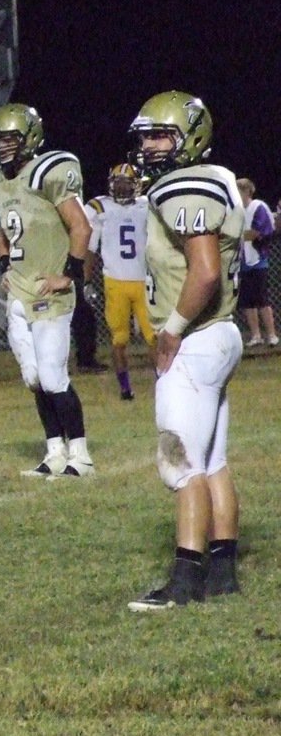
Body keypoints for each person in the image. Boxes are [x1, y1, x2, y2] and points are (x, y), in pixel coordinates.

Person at [125, 92, 245, 611]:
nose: (150, 147)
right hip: (221, 334)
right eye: (146, 136)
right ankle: (222, 571)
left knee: (179, 462)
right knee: (212, 460)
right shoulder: (218, 177)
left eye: (162, 136)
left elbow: (206, 270)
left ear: (190, 137)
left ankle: (185, 580)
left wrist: (170, 329)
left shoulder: (184, 184)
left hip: (196, 338)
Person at [0, 103, 93, 479]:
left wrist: (69, 275)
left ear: (29, 137)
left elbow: (81, 227)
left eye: (10, 139)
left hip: (50, 291)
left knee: (52, 376)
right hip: (19, 292)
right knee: (33, 378)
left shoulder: (49, 172)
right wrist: (2, 265)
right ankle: (54, 452)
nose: (2, 148)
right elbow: (4, 231)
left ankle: (81, 455)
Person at [84, 163, 154, 400]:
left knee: (154, 337)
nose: (123, 188)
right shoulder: (100, 207)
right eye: (119, 183)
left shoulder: (148, 205)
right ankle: (125, 388)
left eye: (127, 183)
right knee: (119, 339)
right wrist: (85, 280)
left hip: (145, 280)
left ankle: (165, 383)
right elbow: (90, 247)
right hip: (115, 281)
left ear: (136, 185)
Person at [235, 177, 277, 347]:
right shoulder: (236, 210)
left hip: (258, 260)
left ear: (247, 191)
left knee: (261, 299)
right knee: (247, 301)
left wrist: (239, 236)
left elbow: (259, 232)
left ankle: (272, 335)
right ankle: (256, 335)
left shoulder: (257, 207)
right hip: (242, 261)